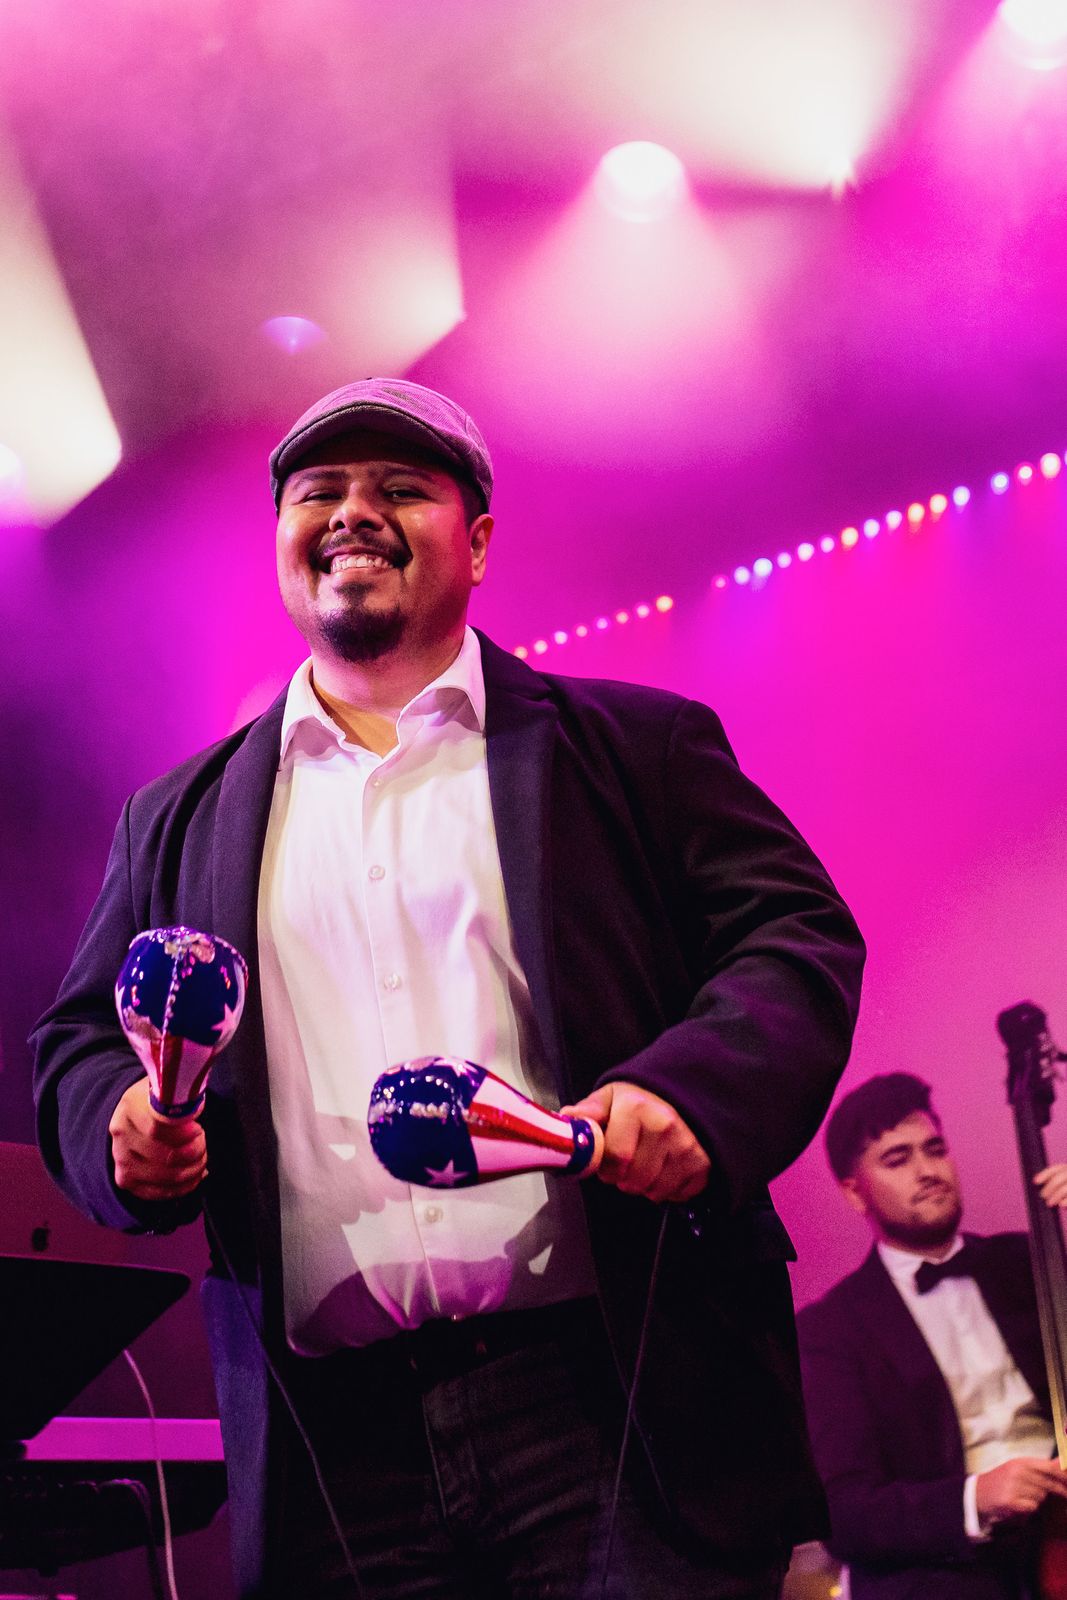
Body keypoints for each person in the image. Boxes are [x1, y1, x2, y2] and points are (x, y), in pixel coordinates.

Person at [33, 378, 865, 1600]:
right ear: (281, 543)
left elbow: (793, 934)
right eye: (318, 492)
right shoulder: (176, 816)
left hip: (609, 1399)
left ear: (475, 540)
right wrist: (119, 1125)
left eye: (398, 488)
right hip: (329, 1449)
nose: (351, 512)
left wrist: (691, 1095)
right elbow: (75, 1041)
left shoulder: (634, 745)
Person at [798, 1071, 1067, 1600]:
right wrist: (974, 1499)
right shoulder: (829, 1329)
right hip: (945, 1561)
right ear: (855, 1193)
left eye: (935, 1149)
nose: (927, 1171)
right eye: (897, 1159)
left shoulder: (1032, 1261)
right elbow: (844, 1513)